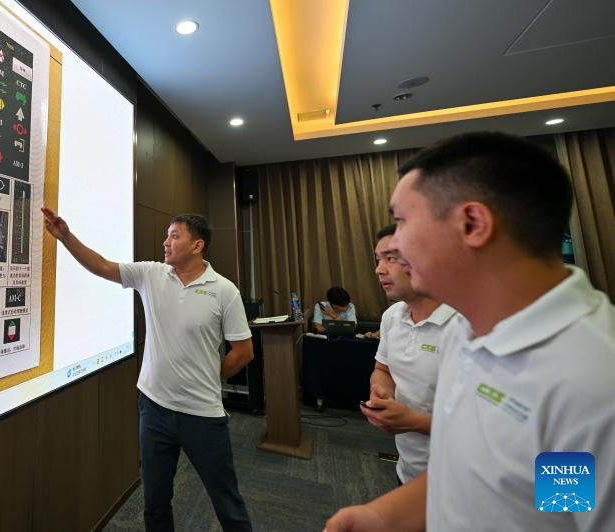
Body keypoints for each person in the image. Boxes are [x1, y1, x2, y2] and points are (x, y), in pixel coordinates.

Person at [325, 132, 615, 532]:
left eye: (403, 222)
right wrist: (383, 516)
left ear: (472, 224)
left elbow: (564, 508)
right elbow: (471, 470)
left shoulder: (589, 381)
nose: (397, 247)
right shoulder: (468, 331)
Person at [41, 208, 254, 532]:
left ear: (197, 246)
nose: (165, 242)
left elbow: (243, 351)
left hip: (202, 414)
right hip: (154, 410)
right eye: (167, 235)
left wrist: (211, 375)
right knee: (155, 504)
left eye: (174, 236)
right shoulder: (151, 274)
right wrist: (66, 237)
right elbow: (102, 266)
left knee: (228, 505)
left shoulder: (224, 290)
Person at [361, 224, 457, 485]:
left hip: (462, 483)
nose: (379, 270)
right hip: (410, 470)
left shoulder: (468, 324)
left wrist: (414, 422)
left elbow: (491, 430)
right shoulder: (392, 316)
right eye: (378, 259)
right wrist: (381, 392)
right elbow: (382, 369)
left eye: (391, 258)